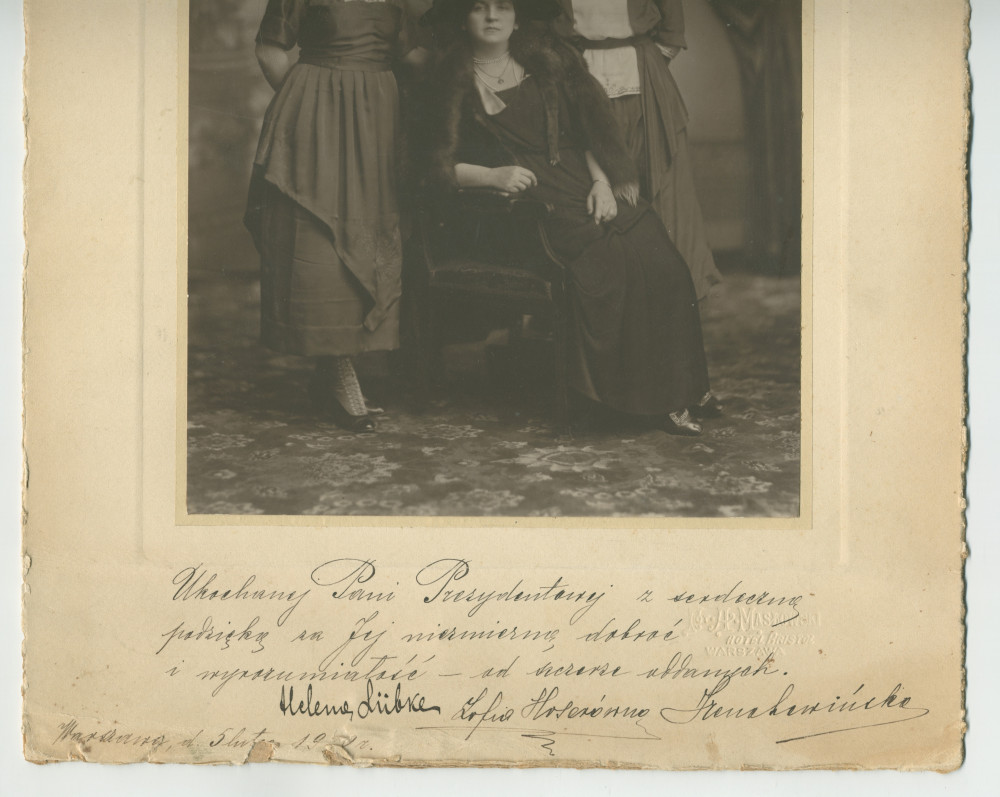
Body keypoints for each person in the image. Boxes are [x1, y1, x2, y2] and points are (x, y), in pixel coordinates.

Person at [420, 0, 721, 435]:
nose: (491, 16)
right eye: (478, 7)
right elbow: (429, 171)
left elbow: (586, 132)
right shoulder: (447, 79)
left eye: (502, 6)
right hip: (519, 206)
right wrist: (490, 175)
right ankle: (628, 400)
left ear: (517, 16)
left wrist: (602, 182)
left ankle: (679, 388)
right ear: (461, 17)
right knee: (609, 266)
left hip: (580, 182)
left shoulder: (546, 59)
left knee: (662, 260)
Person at [245, 0, 424, 432]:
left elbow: (414, 54)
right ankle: (339, 375)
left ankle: (332, 375)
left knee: (371, 237)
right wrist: (306, 105)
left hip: (379, 121)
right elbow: (270, 48)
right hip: (317, 120)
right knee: (320, 242)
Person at [550, 0, 722, 301]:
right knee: (594, 186)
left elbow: (671, 32)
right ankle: (615, 301)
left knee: (660, 190)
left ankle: (671, 298)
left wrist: (645, 68)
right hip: (574, 76)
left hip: (642, 79)